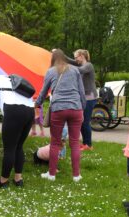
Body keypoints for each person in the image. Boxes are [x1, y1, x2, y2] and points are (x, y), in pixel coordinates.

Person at [35, 49, 86, 182]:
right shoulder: (75, 70)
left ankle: (51, 175)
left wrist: (36, 104)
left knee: (55, 143)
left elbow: (43, 91)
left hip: (58, 108)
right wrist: (83, 109)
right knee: (75, 143)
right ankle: (76, 176)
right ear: (64, 58)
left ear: (52, 59)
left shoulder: (50, 71)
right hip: (76, 108)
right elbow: (81, 92)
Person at [66, 49, 97, 151]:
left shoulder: (88, 65)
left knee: (85, 122)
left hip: (90, 98)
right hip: (84, 98)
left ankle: (88, 144)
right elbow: (70, 61)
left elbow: (80, 70)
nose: (75, 59)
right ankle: (85, 143)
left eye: (76, 57)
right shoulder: (80, 64)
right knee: (81, 121)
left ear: (82, 56)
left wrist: (66, 67)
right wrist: (59, 55)